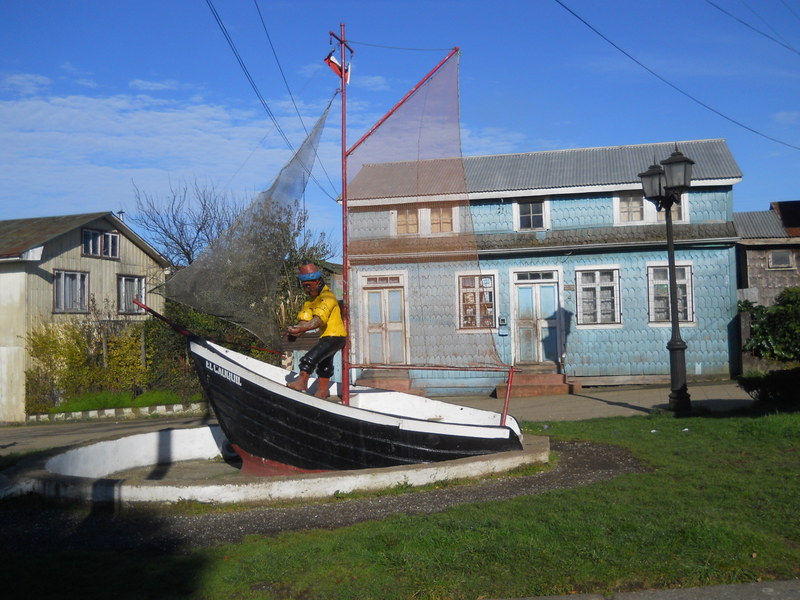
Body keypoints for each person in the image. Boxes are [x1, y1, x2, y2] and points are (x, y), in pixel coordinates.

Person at [286, 262, 347, 399]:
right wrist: (296, 331)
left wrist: (301, 328)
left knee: (309, 358)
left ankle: (302, 382)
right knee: (325, 364)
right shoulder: (311, 301)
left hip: (335, 337)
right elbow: (305, 321)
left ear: (318, 281)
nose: (307, 289)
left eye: (308, 285)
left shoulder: (328, 297)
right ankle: (322, 392)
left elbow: (319, 320)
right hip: (326, 337)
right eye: (304, 286)